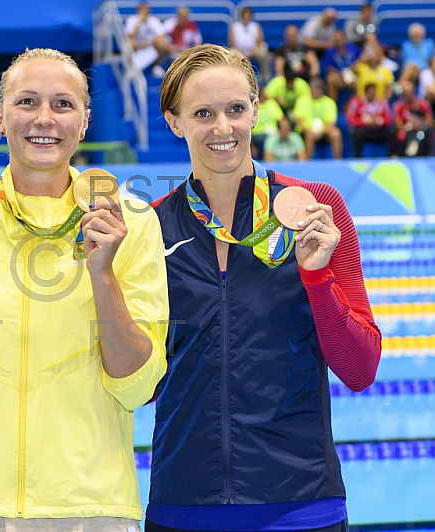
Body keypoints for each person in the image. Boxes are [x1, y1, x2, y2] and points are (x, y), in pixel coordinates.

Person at [0, 47, 169, 531]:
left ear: (85, 120)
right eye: (27, 101)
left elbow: (138, 385)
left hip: (95, 505)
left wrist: (103, 273)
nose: (44, 119)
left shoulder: (133, 223)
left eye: (63, 104)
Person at [151, 43, 381, 532]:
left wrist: (317, 277)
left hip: (302, 506)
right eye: (203, 113)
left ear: (256, 110)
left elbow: (360, 369)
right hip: (183, 505)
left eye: (236, 109)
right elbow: (137, 386)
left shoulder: (317, 208)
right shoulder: (153, 226)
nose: (223, 128)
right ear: (175, 122)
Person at [294, 77, 342, 159]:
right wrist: (308, 130)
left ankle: (338, 161)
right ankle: (307, 163)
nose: (312, 91)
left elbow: (331, 123)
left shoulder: (329, 102)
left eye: (314, 88)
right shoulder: (302, 100)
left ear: (320, 90)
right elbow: (299, 120)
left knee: (336, 133)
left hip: (324, 132)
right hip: (307, 131)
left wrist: (321, 132)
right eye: (311, 88)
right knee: (310, 136)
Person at [345, 82, 393, 157]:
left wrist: (380, 121)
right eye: (370, 92)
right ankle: (358, 157)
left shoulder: (382, 102)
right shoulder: (356, 102)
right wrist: (364, 122)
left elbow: (389, 118)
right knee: (357, 134)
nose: (372, 94)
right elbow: (350, 119)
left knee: (391, 132)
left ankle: (391, 156)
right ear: (366, 92)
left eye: (374, 92)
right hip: (364, 129)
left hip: (378, 129)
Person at [126, 2, 170, 77]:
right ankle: (131, 66)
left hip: (149, 46)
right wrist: (139, 23)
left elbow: (162, 35)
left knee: (163, 43)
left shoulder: (153, 20)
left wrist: (149, 41)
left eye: (147, 10)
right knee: (130, 43)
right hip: (136, 46)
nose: (145, 12)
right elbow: (130, 36)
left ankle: (156, 66)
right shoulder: (132, 20)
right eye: (143, 10)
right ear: (138, 11)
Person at [228, 6, 271, 84]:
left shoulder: (256, 26)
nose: (247, 16)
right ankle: (234, 77)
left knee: (264, 53)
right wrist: (241, 51)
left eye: (248, 14)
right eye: (245, 14)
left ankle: (265, 78)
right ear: (241, 15)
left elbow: (260, 41)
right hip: (239, 50)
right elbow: (232, 42)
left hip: (254, 50)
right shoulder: (235, 26)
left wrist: (253, 51)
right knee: (232, 52)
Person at [322, 30, 361, 101]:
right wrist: (342, 74)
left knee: (361, 79)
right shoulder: (330, 51)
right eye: (335, 40)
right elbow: (329, 68)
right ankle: (332, 105)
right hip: (339, 76)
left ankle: (355, 106)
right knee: (331, 79)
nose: (337, 41)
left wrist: (356, 66)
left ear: (344, 39)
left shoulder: (353, 48)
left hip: (353, 74)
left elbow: (362, 58)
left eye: (339, 39)